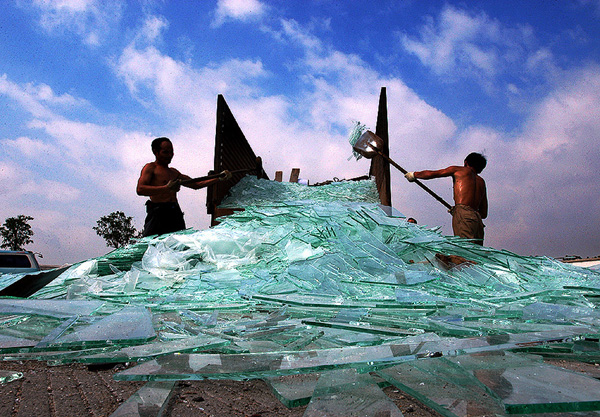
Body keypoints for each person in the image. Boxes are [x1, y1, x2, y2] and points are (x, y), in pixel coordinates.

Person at [137, 137, 232, 237]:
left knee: (179, 244)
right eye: (165, 152)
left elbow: (196, 184)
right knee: (151, 244)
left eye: (171, 152)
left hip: (174, 213)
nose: (169, 156)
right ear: (155, 152)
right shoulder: (150, 168)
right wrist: (166, 188)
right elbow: (140, 189)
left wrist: (219, 178)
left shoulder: (174, 172)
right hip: (157, 213)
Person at [404, 153, 488, 245]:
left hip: (464, 214)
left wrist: (414, 174)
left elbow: (433, 173)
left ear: (465, 162)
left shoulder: (459, 170)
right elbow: (484, 214)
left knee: (466, 249)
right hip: (477, 220)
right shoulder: (481, 182)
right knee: (478, 253)